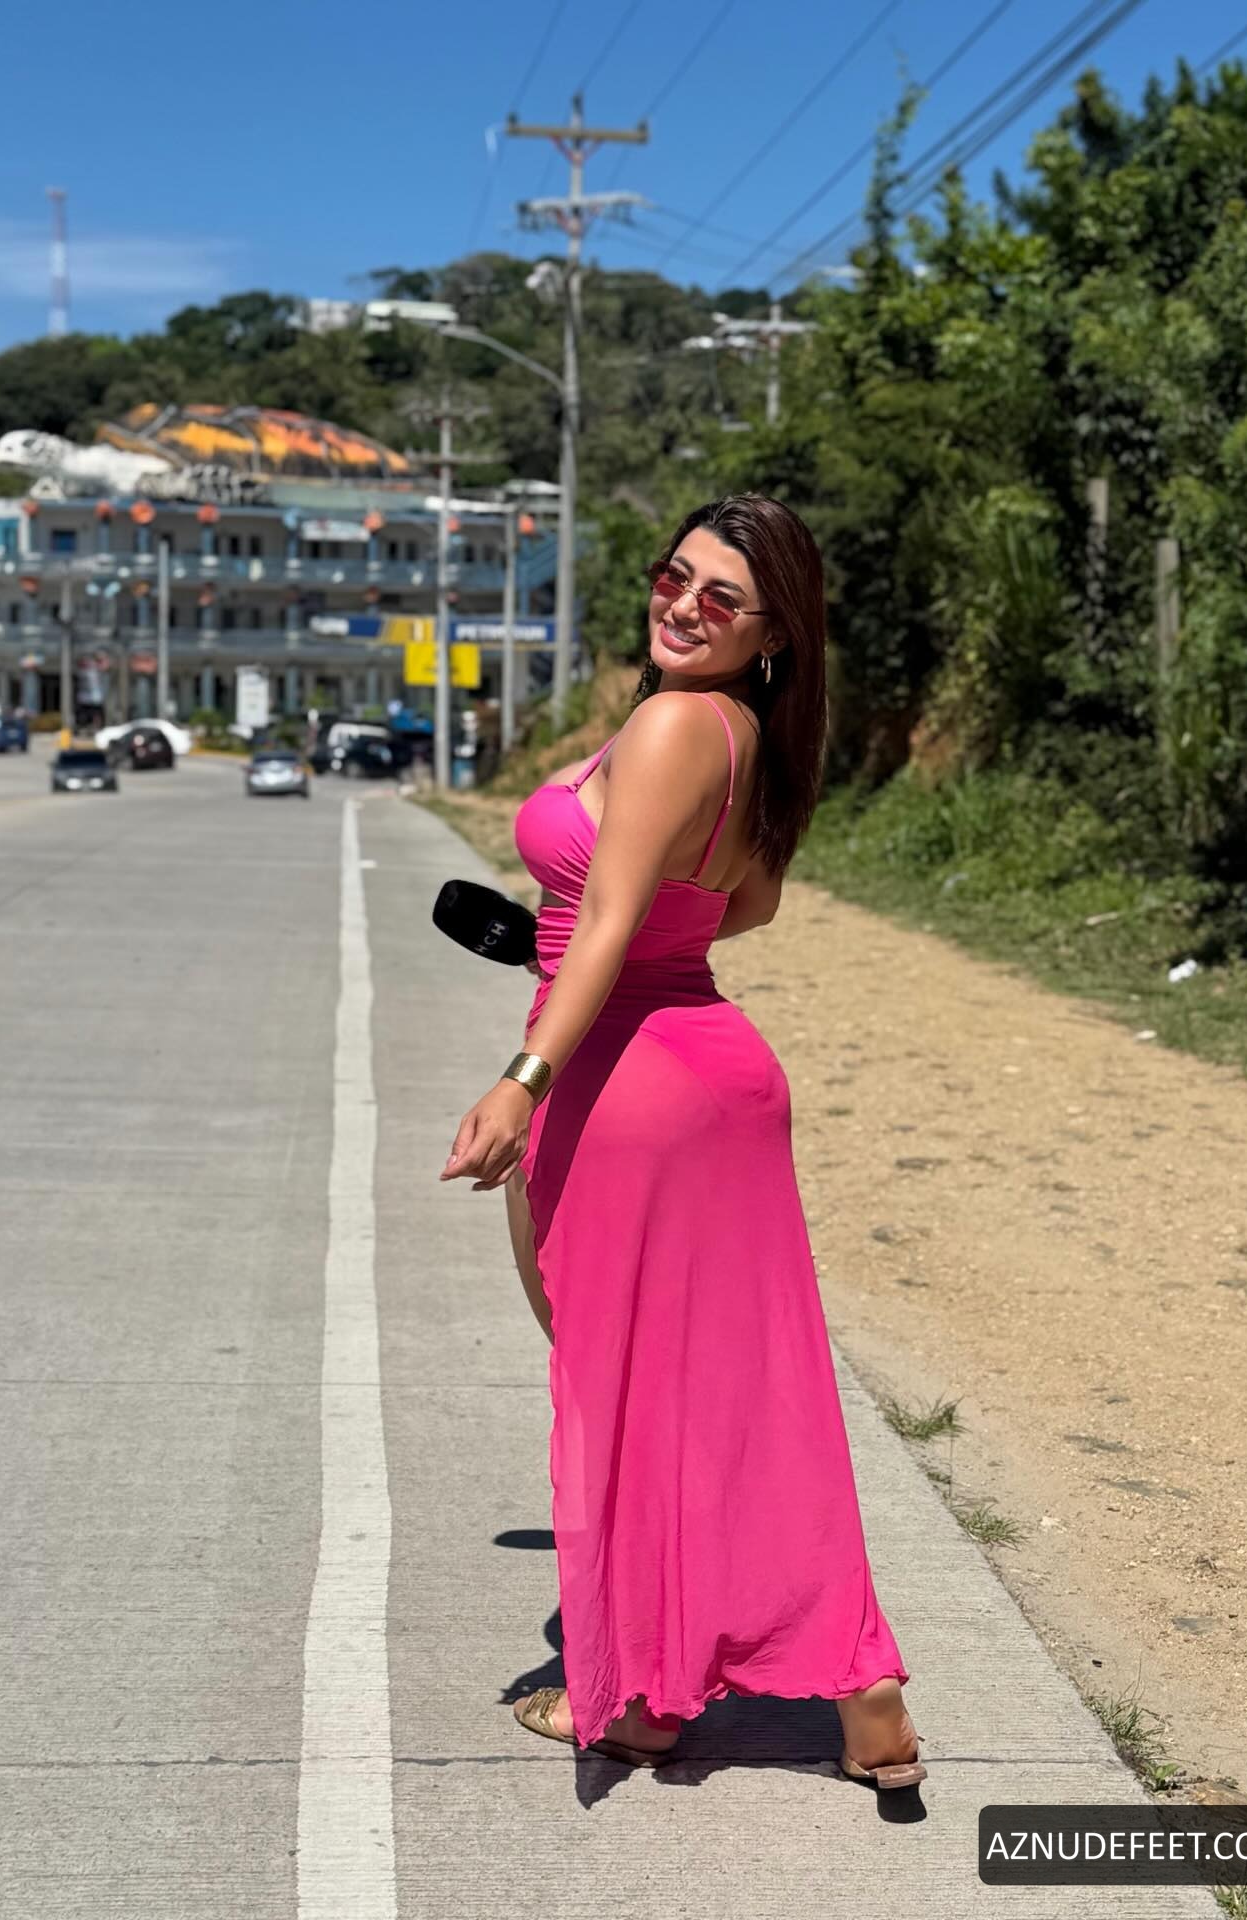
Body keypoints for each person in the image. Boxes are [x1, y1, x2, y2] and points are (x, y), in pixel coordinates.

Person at [440, 494, 924, 1787]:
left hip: (623, 1082)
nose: (684, 606)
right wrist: (581, 937)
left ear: (773, 632)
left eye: (723, 598)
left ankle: (646, 1697)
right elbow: (741, 903)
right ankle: (860, 1683)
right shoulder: (747, 733)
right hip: (710, 1067)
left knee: (621, 1391)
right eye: (675, 577)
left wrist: (524, 1079)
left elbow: (608, 926)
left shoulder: (667, 724)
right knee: (731, 1395)